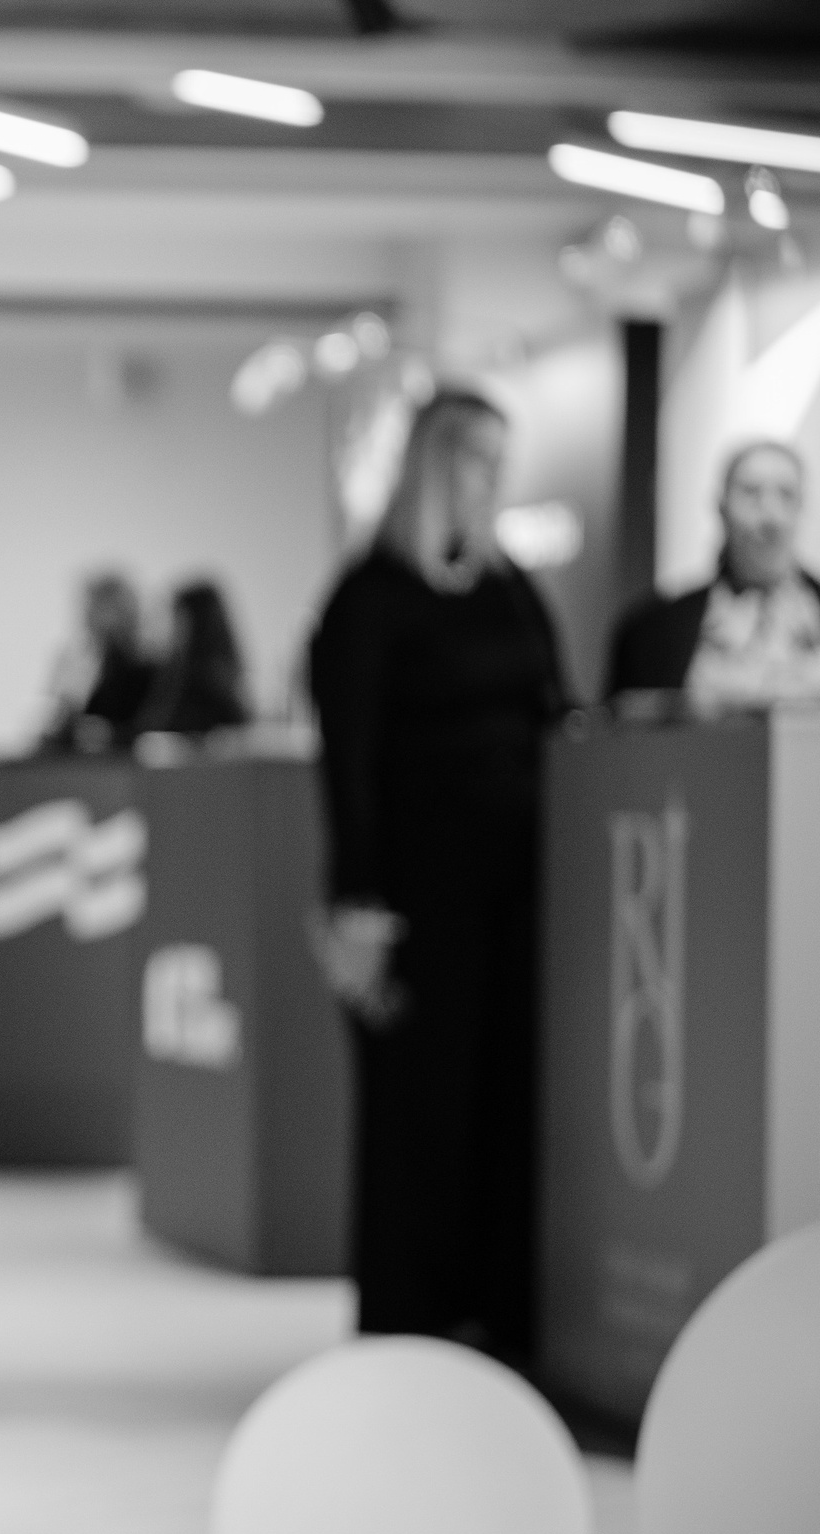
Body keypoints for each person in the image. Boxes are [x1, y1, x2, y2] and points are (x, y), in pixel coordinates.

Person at [307, 388, 568, 1369]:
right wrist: (356, 904)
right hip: (416, 900)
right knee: (421, 1113)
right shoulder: (369, 599)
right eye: (470, 461)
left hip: (519, 891)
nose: (486, 482)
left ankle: (495, 1316)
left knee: (505, 1102)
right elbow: (351, 764)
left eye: (498, 462)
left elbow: (557, 710)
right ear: (430, 465)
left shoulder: (509, 591)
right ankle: (408, 1323)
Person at [605, 440, 820, 712]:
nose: (770, 516)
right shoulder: (652, 630)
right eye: (751, 493)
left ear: (803, 508)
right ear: (722, 506)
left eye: (786, 495)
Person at [39, 569, 157, 751]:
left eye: (94, 608)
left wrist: (109, 733)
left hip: (124, 769)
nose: (86, 618)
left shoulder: (145, 664)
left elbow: (149, 728)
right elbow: (57, 725)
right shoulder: (79, 660)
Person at [137, 577, 252, 738]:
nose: (171, 626)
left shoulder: (205, 679)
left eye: (177, 616)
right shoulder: (183, 670)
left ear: (195, 622)